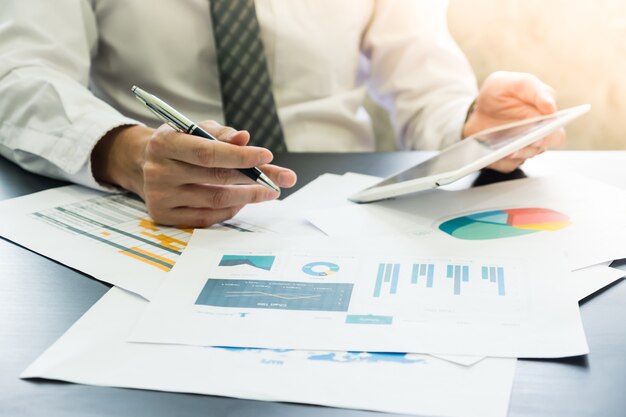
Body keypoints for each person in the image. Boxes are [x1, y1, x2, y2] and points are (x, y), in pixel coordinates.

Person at [0, 0, 563, 227]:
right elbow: (20, 73)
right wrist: (125, 152)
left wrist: (472, 129)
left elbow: (423, 79)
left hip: (347, 211)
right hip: (157, 209)